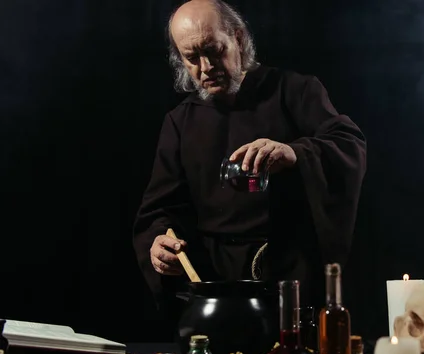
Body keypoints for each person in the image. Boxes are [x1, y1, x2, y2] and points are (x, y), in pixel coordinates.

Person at [132, 0, 367, 319]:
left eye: (213, 51)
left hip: (292, 274)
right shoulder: (180, 122)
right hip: (217, 281)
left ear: (239, 38)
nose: (205, 68)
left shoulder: (294, 91)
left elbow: (348, 144)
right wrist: (159, 243)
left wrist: (294, 152)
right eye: (191, 58)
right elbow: (160, 210)